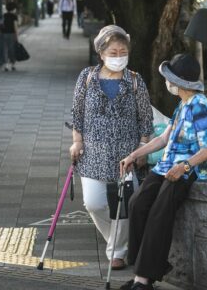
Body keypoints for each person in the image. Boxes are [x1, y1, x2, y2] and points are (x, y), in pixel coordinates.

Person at [117, 53, 207, 290]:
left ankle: (143, 280)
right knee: (137, 203)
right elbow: (164, 138)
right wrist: (134, 155)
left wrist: (185, 166)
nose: (167, 82)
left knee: (159, 212)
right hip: (165, 166)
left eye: (169, 78)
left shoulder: (199, 106)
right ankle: (143, 270)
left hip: (185, 169)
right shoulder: (182, 104)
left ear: (179, 81)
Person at [71, 25, 154, 271]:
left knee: (125, 206)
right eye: (113, 52)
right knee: (93, 203)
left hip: (127, 155)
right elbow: (77, 113)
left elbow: (146, 118)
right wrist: (77, 141)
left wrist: (142, 147)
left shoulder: (135, 81)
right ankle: (115, 240)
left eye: (123, 51)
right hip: (93, 153)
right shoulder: (87, 77)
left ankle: (117, 252)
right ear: (101, 53)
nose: (119, 57)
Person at [1, 2, 19, 71]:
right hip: (12, 34)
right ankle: (12, 65)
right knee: (12, 49)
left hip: (4, 34)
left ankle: (6, 65)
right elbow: (15, 27)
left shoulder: (4, 15)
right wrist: (17, 36)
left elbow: (2, 24)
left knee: (5, 49)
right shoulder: (14, 16)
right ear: (13, 9)